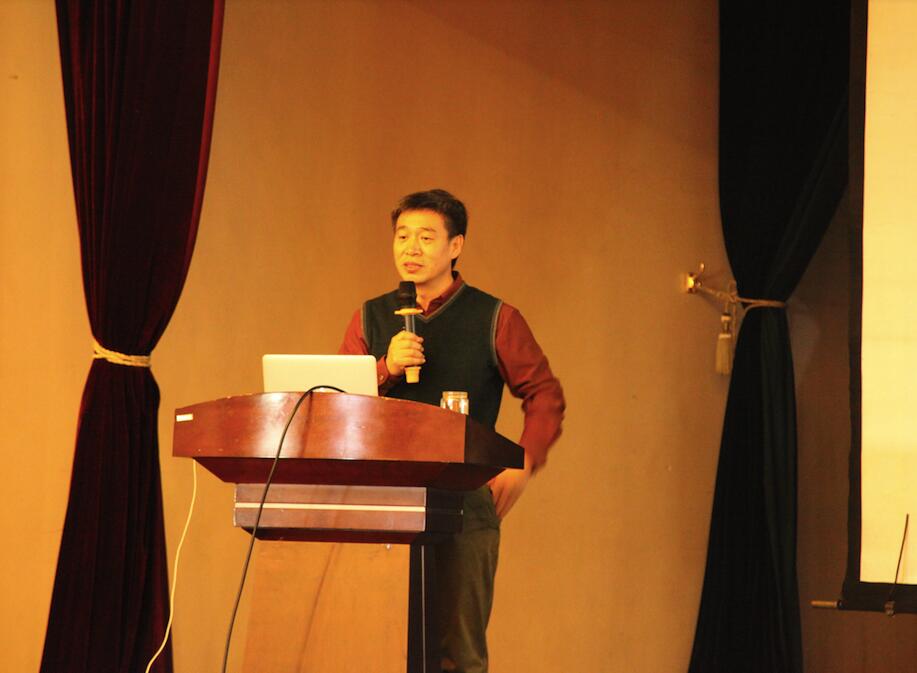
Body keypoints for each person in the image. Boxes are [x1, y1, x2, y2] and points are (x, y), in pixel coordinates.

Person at [339, 189, 564, 673]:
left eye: (426, 237)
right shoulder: (370, 316)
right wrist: (386, 368)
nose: (411, 248)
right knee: (378, 644)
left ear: (455, 246)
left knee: (458, 653)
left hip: (464, 497)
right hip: (384, 496)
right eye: (402, 236)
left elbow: (544, 393)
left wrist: (522, 463)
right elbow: (338, 403)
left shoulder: (494, 317)